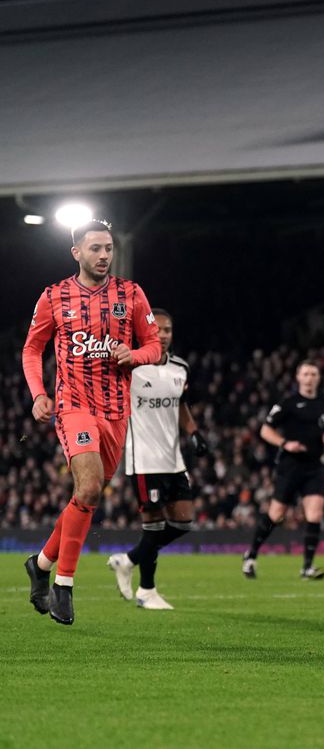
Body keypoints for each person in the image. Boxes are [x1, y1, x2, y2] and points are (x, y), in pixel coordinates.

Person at [22, 219, 162, 625]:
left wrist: (133, 356)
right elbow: (32, 350)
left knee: (88, 496)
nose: (104, 255)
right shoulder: (54, 296)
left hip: (117, 410)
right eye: (95, 248)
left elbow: (154, 346)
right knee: (86, 485)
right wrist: (39, 394)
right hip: (73, 406)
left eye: (108, 248)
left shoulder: (131, 295)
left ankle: (42, 563)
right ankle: (63, 585)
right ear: (76, 253)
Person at [106, 308, 209, 609]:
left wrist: (194, 432)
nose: (163, 335)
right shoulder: (132, 367)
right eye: (158, 330)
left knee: (183, 523)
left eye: (168, 330)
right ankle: (146, 591)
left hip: (173, 459)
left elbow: (181, 405)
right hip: (144, 458)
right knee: (152, 526)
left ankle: (128, 560)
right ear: (146, 333)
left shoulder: (180, 368)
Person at [242, 360, 324, 580]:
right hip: (290, 465)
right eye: (306, 374)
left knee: (315, 514)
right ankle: (251, 555)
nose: (310, 377)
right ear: (298, 377)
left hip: (314, 465)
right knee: (276, 514)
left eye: (313, 374)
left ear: (318, 378)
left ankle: (307, 567)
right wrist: (285, 443)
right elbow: (265, 430)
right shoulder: (288, 403)